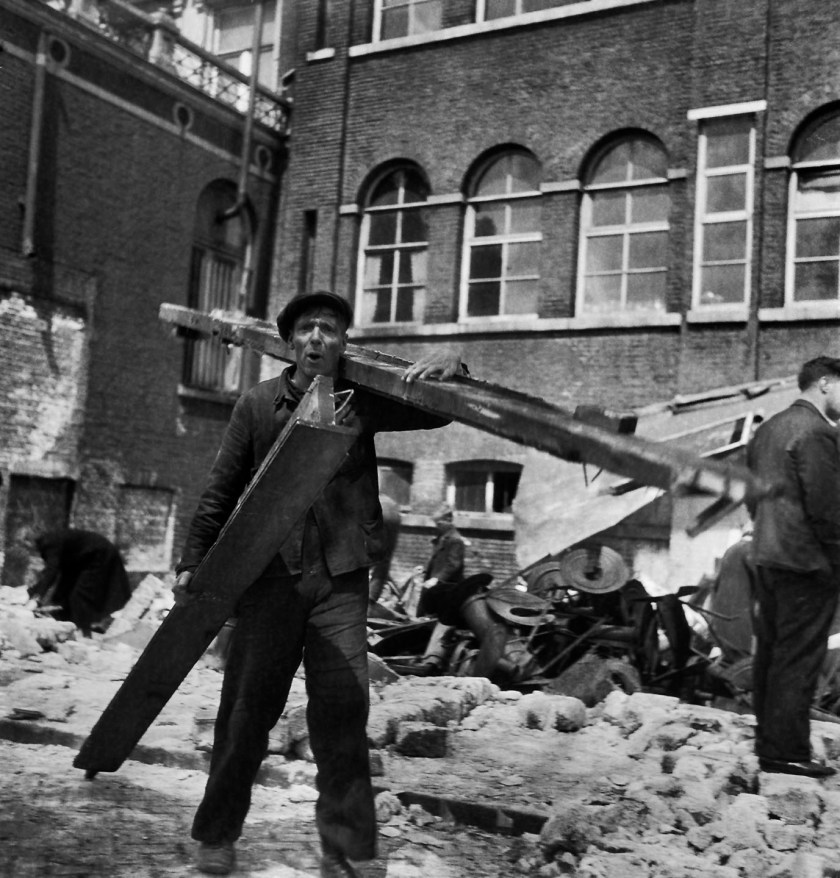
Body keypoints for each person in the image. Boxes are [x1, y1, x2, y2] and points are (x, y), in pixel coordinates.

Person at [174, 290, 463, 877]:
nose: (316, 340)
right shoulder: (257, 406)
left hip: (340, 583)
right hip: (270, 580)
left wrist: (454, 366)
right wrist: (192, 563)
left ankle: (349, 849)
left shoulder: (362, 403)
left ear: (342, 343)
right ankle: (217, 834)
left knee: (342, 711)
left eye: (329, 330)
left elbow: (437, 409)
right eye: (306, 329)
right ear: (288, 342)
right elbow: (220, 490)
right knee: (246, 712)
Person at [746, 355, 840, 778]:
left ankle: (770, 742)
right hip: (806, 562)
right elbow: (827, 509)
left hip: (768, 556)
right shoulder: (817, 432)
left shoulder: (767, 429)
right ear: (824, 383)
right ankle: (786, 753)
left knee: (771, 652)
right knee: (799, 658)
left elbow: (751, 496)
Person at [28, 529, 132, 637]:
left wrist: (37, 598)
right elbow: (51, 571)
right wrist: (31, 592)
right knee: (61, 595)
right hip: (84, 558)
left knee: (79, 595)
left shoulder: (49, 543)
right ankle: (65, 627)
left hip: (99, 555)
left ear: (29, 541)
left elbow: (52, 571)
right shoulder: (49, 540)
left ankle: (84, 632)